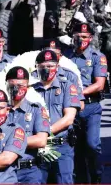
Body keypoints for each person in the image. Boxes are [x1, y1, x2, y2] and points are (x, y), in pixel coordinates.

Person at [64, 22, 107, 184]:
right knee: (75, 148)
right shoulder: (66, 57)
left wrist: (77, 93)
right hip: (71, 109)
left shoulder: (97, 57)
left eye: (84, 37)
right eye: (77, 36)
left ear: (90, 38)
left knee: (92, 144)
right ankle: (81, 180)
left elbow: (99, 84)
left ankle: (96, 174)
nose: (81, 40)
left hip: (91, 107)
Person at [32, 50, 83, 184]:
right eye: (43, 66)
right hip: (38, 148)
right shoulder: (30, 90)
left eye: (50, 66)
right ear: (36, 67)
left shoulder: (67, 86)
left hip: (61, 146)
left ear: (57, 67)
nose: (47, 69)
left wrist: (44, 134)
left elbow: (69, 119)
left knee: (64, 181)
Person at [5, 66, 50, 183]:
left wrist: (9, 143)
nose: (16, 89)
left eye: (21, 86)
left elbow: (41, 140)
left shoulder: (36, 109)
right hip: (5, 172)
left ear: (28, 87)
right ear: (6, 85)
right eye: (12, 86)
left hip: (28, 172)